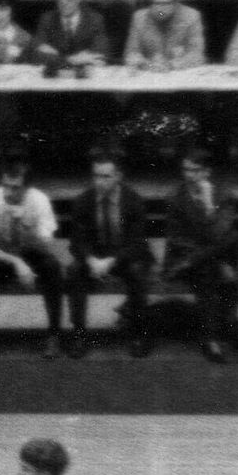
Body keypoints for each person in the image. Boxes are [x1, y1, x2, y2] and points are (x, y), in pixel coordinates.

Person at [0, 152, 70, 360]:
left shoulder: (39, 200)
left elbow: (46, 245)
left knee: (52, 267)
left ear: (27, 188)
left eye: (15, 188)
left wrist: (28, 229)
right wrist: (16, 262)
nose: (8, 192)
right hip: (2, 255)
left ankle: (54, 335)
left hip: (32, 253)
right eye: (5, 185)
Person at [66, 147, 157, 357]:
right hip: (95, 258)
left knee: (137, 272)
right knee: (74, 271)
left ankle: (138, 334)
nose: (100, 182)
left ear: (118, 176)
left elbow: (137, 243)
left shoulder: (133, 200)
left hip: (126, 256)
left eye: (106, 176)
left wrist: (112, 261)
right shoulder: (84, 200)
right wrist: (90, 260)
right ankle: (79, 334)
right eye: (96, 176)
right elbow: (76, 242)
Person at [164, 146, 238, 361]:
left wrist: (209, 205)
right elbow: (176, 239)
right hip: (182, 260)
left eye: (195, 170)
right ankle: (212, 339)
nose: (189, 175)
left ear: (207, 172)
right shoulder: (175, 197)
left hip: (200, 259)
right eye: (186, 170)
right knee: (212, 268)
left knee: (218, 259)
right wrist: (208, 256)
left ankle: (218, 335)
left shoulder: (224, 196)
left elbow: (220, 234)